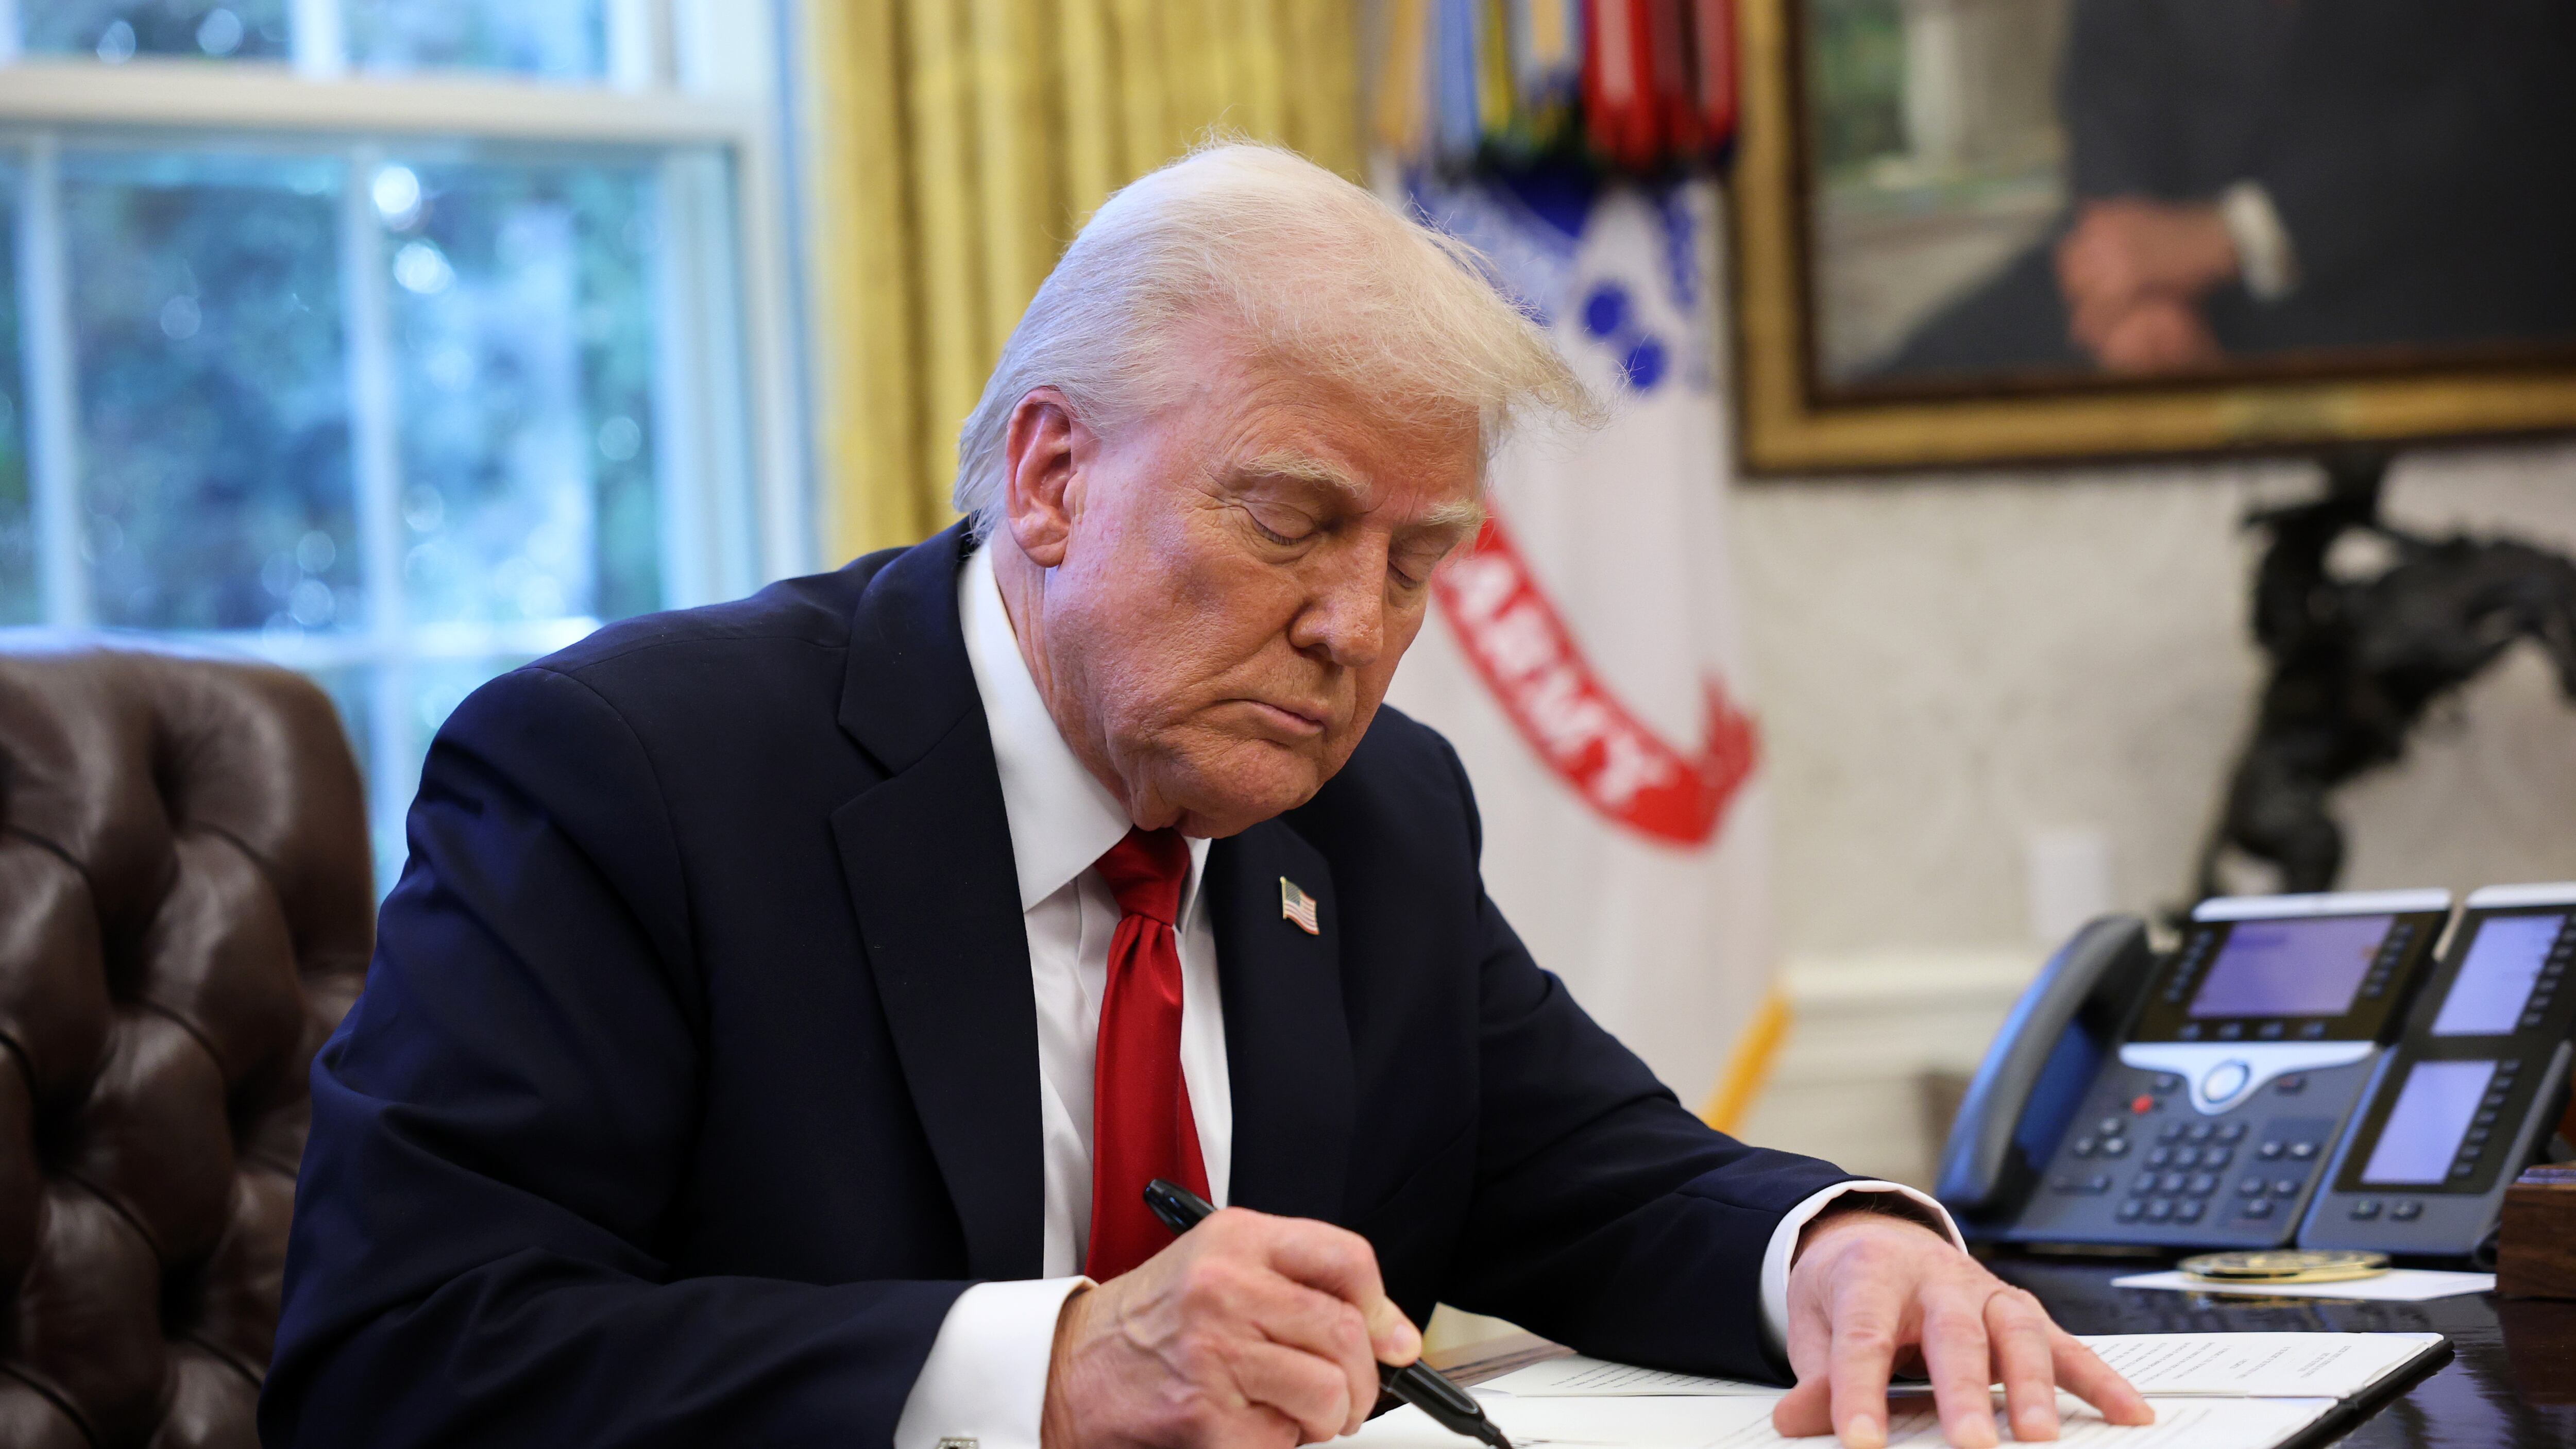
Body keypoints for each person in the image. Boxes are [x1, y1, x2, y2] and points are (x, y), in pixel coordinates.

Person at [264, 144, 2148, 1449]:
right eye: (1293, 522)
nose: (1356, 628)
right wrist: (1052, 1368)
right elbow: (398, 1361)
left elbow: (1592, 1176)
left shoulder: (1376, 810)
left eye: (1417, 560)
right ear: (1053, 480)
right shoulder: (634, 773)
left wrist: (1844, 1248)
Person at [1882, 0, 2576, 378]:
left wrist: (2243, 235)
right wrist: (2136, 292)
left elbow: (2516, 95)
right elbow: (2106, 76)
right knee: (1895, 394)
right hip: (2150, 267)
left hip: (2403, 270)